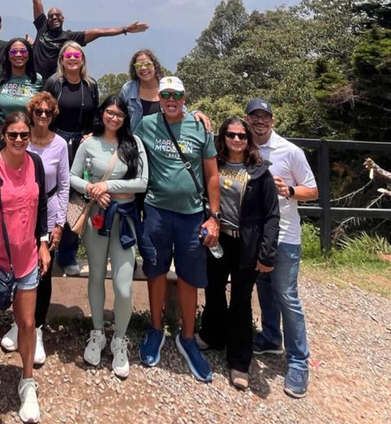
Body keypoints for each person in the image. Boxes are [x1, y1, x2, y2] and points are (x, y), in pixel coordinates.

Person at [134, 76, 221, 383]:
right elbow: (124, 145)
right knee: (155, 271)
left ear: (185, 97)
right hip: (157, 211)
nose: (171, 99)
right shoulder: (146, 125)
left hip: (192, 215)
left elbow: (212, 176)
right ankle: (155, 328)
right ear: (159, 97)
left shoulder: (200, 127)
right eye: (166, 94)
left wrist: (214, 217)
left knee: (189, 276)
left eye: (177, 95)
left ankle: (187, 335)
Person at [0, 111, 50, 422]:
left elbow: (41, 205)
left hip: (27, 257)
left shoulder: (36, 164)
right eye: (13, 134)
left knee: (27, 323)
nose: (18, 140)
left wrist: (43, 243)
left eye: (24, 135)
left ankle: (27, 382)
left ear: (31, 135)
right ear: (4, 135)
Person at [196, 117, 280, 390]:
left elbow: (271, 215)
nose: (236, 140)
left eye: (242, 136)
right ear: (224, 136)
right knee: (214, 290)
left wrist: (267, 254)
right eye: (231, 134)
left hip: (247, 244)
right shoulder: (214, 165)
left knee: (241, 302)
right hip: (219, 240)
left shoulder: (259, 172)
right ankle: (211, 335)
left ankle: (239, 361)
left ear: (248, 140)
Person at [245, 98, 318, 398]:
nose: (259, 122)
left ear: (273, 121)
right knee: (263, 286)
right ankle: (272, 337)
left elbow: (312, 190)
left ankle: (299, 361)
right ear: (247, 119)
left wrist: (288, 190)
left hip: (285, 235)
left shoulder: (290, 151)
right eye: (254, 116)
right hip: (257, 235)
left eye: (265, 117)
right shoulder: (243, 146)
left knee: (287, 296)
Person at [71, 96, 148, 378]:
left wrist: (107, 184)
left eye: (119, 114)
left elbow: (141, 183)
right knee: (95, 278)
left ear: (125, 118)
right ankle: (98, 332)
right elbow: (71, 176)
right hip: (96, 220)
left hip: (125, 219)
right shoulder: (88, 144)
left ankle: (119, 338)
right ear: (102, 114)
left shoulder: (134, 144)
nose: (113, 118)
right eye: (109, 112)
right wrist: (92, 188)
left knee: (124, 285)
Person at [0, 92, 69, 366]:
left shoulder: (60, 144)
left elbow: (63, 185)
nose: (42, 117)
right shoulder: (21, 139)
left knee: (43, 272)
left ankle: (37, 328)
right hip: (20, 210)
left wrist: (60, 222)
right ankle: (20, 322)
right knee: (19, 269)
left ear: (53, 115)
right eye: (38, 112)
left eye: (47, 113)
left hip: (49, 209)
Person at [25, 0, 149, 79]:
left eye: (58, 15)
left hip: (56, 83)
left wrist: (125, 29)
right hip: (34, 81)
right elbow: (36, 0)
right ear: (47, 19)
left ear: (63, 18)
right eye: (51, 16)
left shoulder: (70, 37)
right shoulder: (42, 27)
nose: (54, 17)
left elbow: (99, 32)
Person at [42, 41, 100, 276]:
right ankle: (44, 248)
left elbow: (96, 114)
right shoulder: (54, 83)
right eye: (68, 55)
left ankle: (67, 254)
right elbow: (43, 109)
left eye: (77, 54)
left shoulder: (90, 85)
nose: (73, 58)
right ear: (62, 59)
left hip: (81, 144)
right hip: (55, 142)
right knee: (51, 194)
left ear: (82, 59)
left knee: (75, 199)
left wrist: (92, 134)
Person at [119, 49, 213, 133]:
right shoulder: (128, 89)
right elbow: (118, 115)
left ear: (155, 66)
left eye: (147, 64)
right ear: (134, 69)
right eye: (139, 65)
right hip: (135, 146)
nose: (143, 68)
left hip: (162, 146)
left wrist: (195, 113)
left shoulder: (167, 87)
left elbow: (181, 111)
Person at [0, 38, 43, 127]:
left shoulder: (37, 79)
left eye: (23, 51)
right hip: (0, 129)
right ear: (8, 56)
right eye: (13, 52)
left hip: (26, 131)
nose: (18, 55)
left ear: (28, 56)